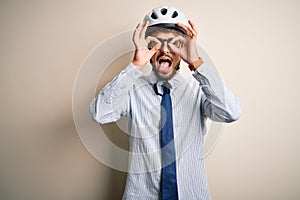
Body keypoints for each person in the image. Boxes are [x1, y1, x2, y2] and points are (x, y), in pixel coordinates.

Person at [90, 5, 242, 200]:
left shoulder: (199, 90)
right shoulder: (132, 91)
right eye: (156, 43)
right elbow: (99, 113)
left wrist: (195, 61)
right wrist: (135, 66)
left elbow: (231, 112)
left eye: (173, 43)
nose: (165, 50)